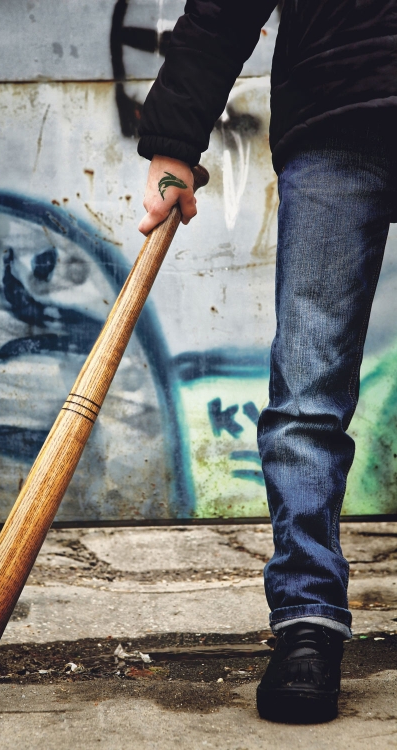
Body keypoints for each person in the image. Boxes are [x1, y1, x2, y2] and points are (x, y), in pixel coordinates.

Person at [136, 0, 397, 724]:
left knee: (307, 399)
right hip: (335, 104)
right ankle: (308, 621)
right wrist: (173, 142)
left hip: (328, 102)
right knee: (307, 397)